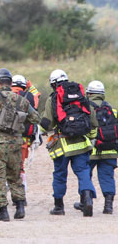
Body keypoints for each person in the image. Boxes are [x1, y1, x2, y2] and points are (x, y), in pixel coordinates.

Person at [0, 68, 41, 221]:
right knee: (15, 176)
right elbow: (36, 117)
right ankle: (20, 207)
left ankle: (3, 212)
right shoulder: (21, 100)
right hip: (16, 144)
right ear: (11, 83)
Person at [40, 69, 97, 216]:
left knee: (60, 174)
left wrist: (39, 129)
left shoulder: (53, 98)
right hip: (81, 144)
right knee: (83, 172)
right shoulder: (80, 95)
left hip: (62, 145)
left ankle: (59, 207)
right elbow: (93, 120)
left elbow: (48, 124)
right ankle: (87, 200)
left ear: (53, 84)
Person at [78, 80, 117, 214]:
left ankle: (86, 201)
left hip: (90, 150)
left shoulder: (86, 109)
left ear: (88, 93)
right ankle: (108, 206)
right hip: (110, 149)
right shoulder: (112, 110)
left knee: (85, 175)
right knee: (107, 177)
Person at [10, 74, 39, 192]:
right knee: (19, 166)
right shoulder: (29, 96)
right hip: (23, 138)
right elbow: (36, 103)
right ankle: (21, 194)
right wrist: (30, 86)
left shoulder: (4, 94)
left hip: (5, 137)